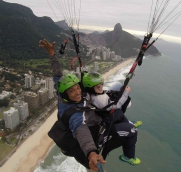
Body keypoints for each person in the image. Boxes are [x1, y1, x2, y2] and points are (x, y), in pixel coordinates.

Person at [39, 39, 141, 171]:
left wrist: (52, 53)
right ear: (65, 94)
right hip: (94, 139)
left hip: (94, 121)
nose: (77, 92)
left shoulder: (61, 93)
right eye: (72, 91)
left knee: (118, 113)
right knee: (132, 131)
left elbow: (57, 75)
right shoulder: (75, 113)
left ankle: (123, 123)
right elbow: (81, 130)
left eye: (77, 88)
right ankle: (128, 156)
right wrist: (92, 152)